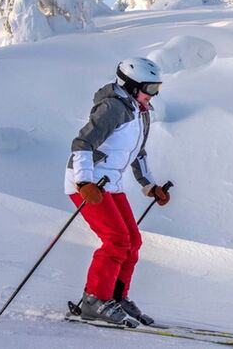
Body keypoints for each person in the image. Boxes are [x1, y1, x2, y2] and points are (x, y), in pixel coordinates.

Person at [64, 57, 171, 326]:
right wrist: (84, 182)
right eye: (150, 88)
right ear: (131, 85)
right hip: (88, 183)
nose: (153, 94)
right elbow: (82, 143)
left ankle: (114, 297)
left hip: (110, 184)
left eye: (157, 88)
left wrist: (149, 185)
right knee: (116, 240)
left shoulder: (140, 111)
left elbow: (137, 151)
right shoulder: (113, 107)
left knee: (132, 241)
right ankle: (94, 301)